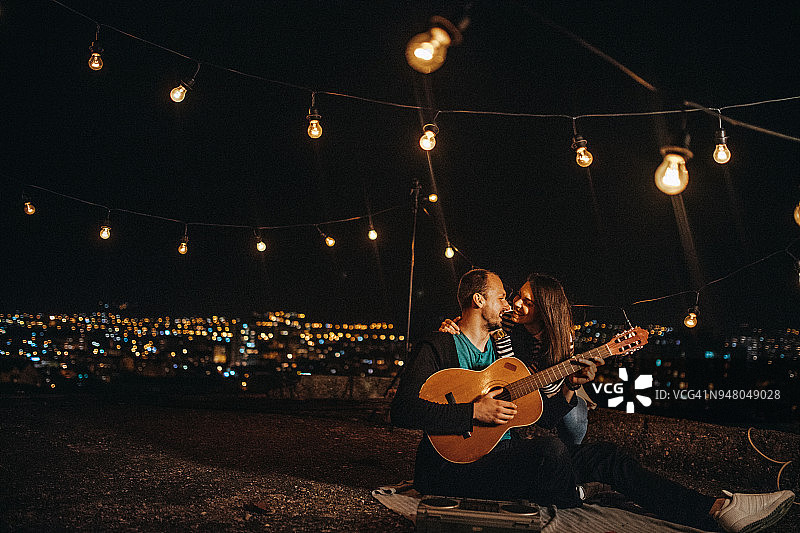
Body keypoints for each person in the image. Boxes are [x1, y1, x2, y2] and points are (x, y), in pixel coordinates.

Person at [391, 268, 794, 532]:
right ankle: (574, 496)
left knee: (608, 456)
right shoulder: (439, 346)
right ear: (478, 301)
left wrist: (570, 386)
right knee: (551, 452)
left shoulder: (502, 354)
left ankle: (717, 510)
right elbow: (403, 409)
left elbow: (541, 416)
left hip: (501, 456)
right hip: (448, 469)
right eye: (500, 296)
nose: (508, 303)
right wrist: (473, 410)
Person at [439, 272, 594, 445]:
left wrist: (571, 384)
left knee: (575, 415)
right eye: (519, 295)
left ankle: (573, 455)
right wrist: (455, 325)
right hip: (509, 382)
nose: (516, 303)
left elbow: (549, 396)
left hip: (544, 390)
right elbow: (478, 322)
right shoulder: (508, 320)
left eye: (527, 303)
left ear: (544, 311)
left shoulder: (561, 341)